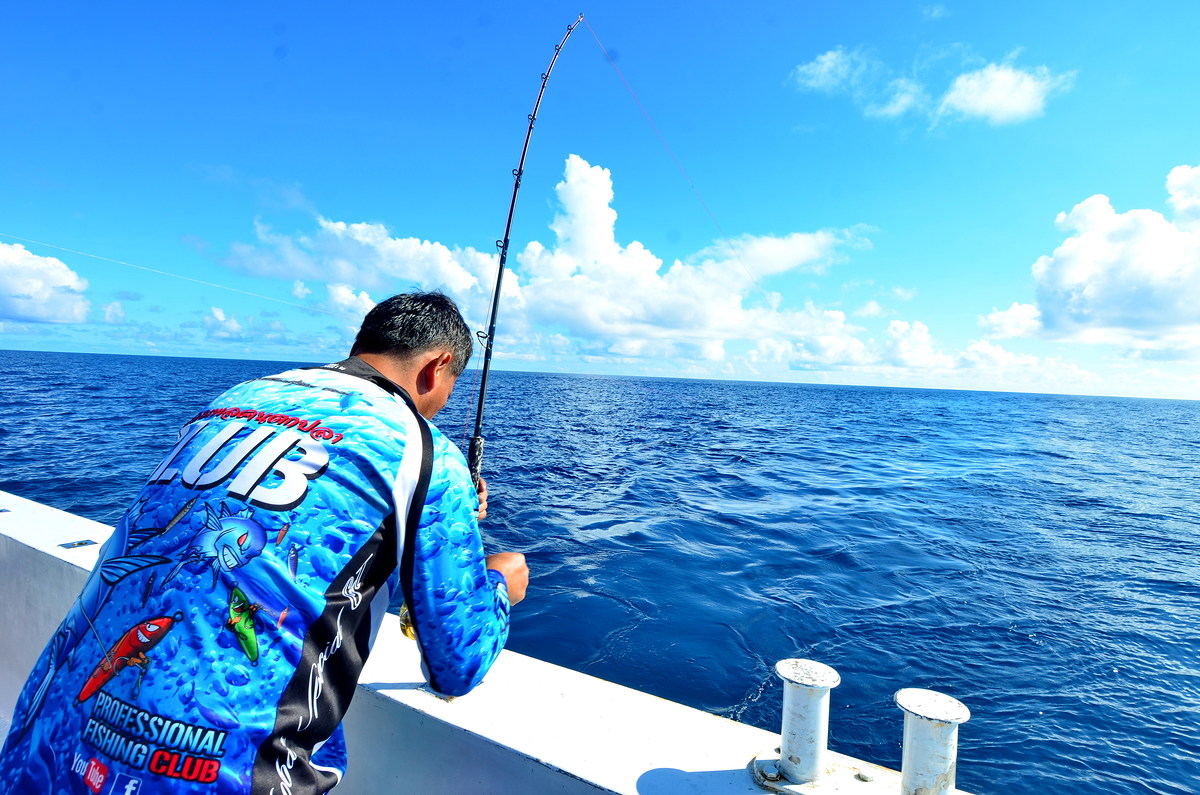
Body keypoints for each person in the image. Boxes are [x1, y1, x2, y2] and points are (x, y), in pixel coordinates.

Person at [0, 291, 529, 794]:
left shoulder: (234, 400)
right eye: (449, 387)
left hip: (38, 744)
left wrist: (436, 507)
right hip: (210, 775)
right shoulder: (424, 448)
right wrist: (500, 580)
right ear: (435, 368)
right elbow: (456, 665)